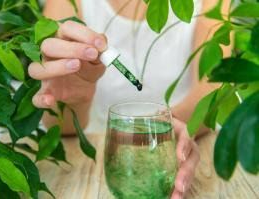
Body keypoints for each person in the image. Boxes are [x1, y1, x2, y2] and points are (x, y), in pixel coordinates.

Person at [28, 0, 231, 198]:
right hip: (101, 155)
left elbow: (213, 89)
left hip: (181, 139)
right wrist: (73, 99)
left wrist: (166, 127)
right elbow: (62, 127)